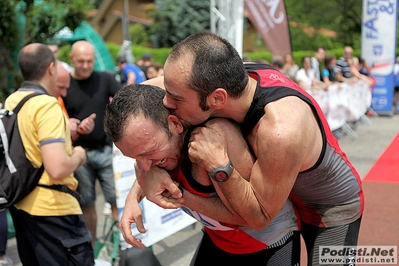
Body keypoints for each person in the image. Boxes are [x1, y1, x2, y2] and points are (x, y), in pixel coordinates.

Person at [122, 32, 364, 266]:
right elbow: (141, 108)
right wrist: (140, 184)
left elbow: (259, 217)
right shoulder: (225, 77)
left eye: (176, 98)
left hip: (330, 207)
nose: (167, 103)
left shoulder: (280, 130)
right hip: (284, 193)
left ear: (217, 99)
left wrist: (219, 167)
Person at [104, 84, 301, 265]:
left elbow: (251, 217)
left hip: (269, 244)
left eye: (148, 153)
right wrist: (133, 197)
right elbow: (146, 156)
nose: (145, 165)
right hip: (220, 242)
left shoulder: (214, 141)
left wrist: (179, 196)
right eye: (134, 157)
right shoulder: (156, 150)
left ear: (175, 124)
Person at [6, 43, 93, 265]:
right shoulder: (47, 106)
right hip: (55, 211)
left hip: (23, 204)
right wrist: (80, 154)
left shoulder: (13, 100)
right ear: (51, 68)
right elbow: (58, 167)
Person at [62, 40, 122, 247]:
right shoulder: (65, 84)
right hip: (79, 154)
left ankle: (122, 243)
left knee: (116, 198)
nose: (86, 65)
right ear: (71, 59)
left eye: (89, 61)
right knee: (87, 203)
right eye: (81, 61)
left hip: (105, 149)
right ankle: (91, 248)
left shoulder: (104, 78)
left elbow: (124, 99)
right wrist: (73, 127)